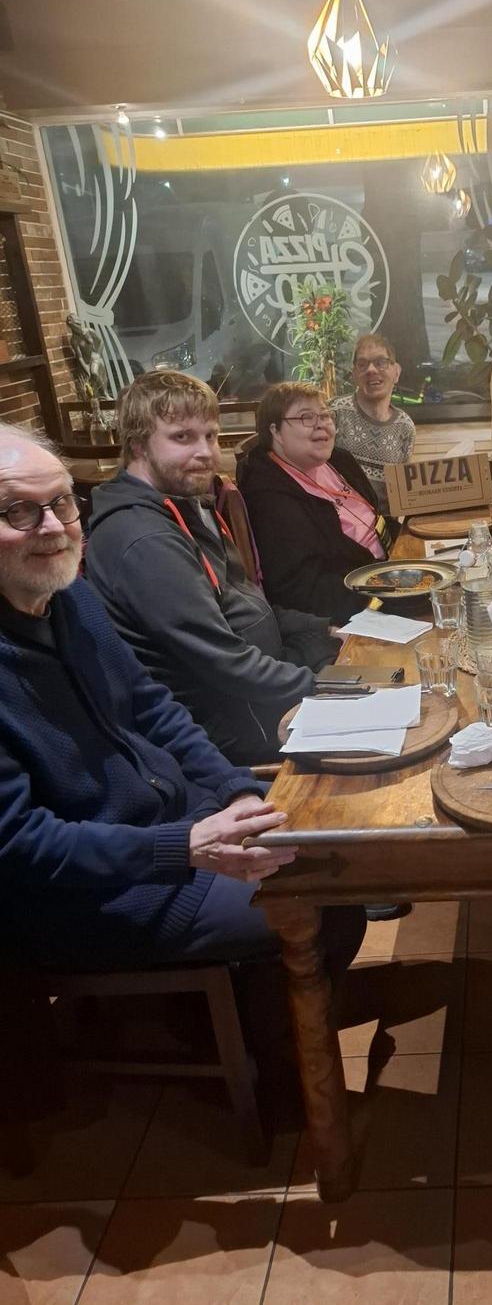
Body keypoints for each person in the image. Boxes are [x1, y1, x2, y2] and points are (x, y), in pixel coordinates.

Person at [0, 423, 366, 974]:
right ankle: (235, 1023)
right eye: (18, 512)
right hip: (100, 894)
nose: (52, 527)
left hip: (175, 822)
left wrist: (232, 788)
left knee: (336, 846)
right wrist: (185, 845)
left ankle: (250, 1009)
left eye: (61, 503)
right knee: (325, 901)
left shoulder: (70, 596)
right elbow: (18, 843)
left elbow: (154, 706)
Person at [85, 370, 340, 766]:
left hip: (262, 689)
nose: (205, 452)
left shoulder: (184, 503)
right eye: (182, 437)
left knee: (399, 670)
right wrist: (331, 686)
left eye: (210, 436)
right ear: (137, 444)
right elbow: (225, 664)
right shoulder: (143, 539)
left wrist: (321, 628)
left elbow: (245, 603)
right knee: (406, 727)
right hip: (235, 730)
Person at [238, 381, 393, 623]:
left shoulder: (339, 461)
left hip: (389, 568)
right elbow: (300, 590)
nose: (321, 424)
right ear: (276, 431)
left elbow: (376, 518)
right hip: (359, 606)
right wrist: (388, 596)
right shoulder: (269, 499)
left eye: (325, 415)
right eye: (306, 417)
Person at [330, 334, 415, 516]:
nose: (371, 370)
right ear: (354, 373)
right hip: (339, 522)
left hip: (385, 526)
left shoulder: (405, 427)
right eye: (362, 364)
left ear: (396, 372)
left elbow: (401, 495)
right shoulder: (334, 413)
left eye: (381, 363)